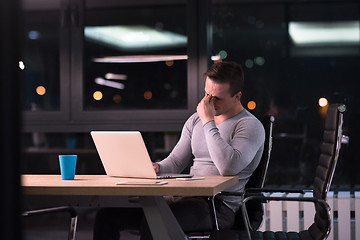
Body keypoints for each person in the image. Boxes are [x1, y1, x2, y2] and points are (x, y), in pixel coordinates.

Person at [93, 61, 265, 240]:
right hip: (183, 197)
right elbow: (176, 161)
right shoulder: (194, 121)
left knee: (154, 223)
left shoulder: (249, 125)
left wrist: (208, 121)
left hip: (216, 206)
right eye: (206, 94)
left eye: (217, 98)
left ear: (237, 96)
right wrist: (157, 168)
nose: (208, 102)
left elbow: (228, 167)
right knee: (107, 217)